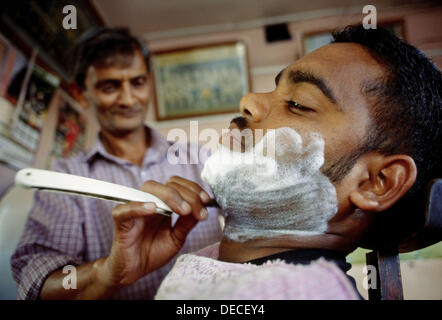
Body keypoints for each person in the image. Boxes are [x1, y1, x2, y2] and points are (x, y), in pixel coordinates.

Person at [124, 25, 440, 299]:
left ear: (376, 183)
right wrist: (114, 273)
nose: (249, 100)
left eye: (298, 104)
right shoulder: (231, 268)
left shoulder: (300, 293)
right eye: (276, 89)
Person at [10, 27, 223, 299]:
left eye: (137, 82)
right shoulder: (64, 179)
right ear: (79, 93)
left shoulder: (200, 158)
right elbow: (39, 282)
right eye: (110, 86)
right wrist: (107, 272)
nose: (128, 99)